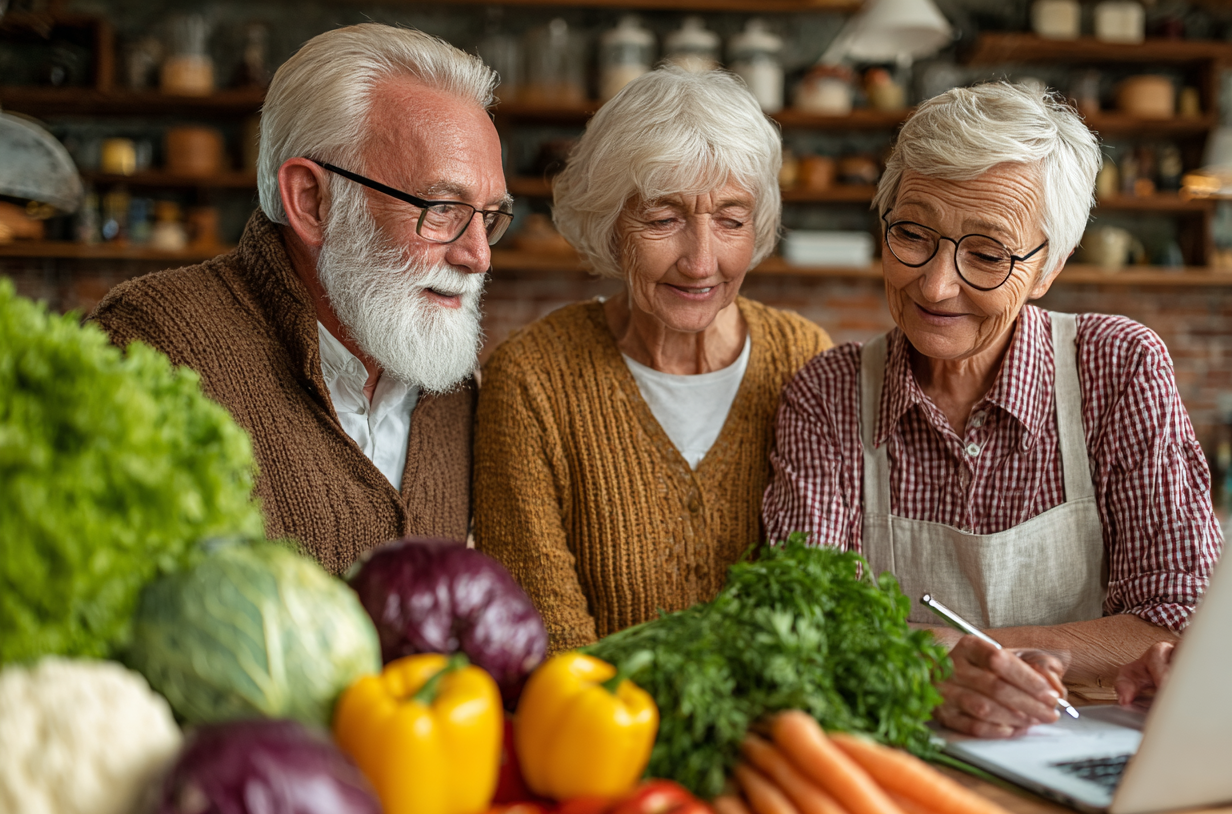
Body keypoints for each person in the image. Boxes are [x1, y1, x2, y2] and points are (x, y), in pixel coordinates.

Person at [762, 83, 1223, 737]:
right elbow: (802, 625)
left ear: (1048, 268)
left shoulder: (1117, 368)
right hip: (899, 754)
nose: (936, 284)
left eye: (986, 254)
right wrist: (936, 667)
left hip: (1079, 749)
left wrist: (945, 655)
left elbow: (1181, 619)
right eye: (912, 233)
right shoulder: (827, 394)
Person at [89, 25, 511, 573]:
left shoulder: (455, 386)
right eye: (442, 209)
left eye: (490, 216)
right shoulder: (151, 347)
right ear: (312, 201)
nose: (478, 256)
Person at [473, 67, 832, 653]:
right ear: (610, 225)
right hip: (596, 709)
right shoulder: (533, 377)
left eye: (731, 220)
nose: (700, 262)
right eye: (663, 219)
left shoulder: (807, 361)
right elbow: (548, 639)